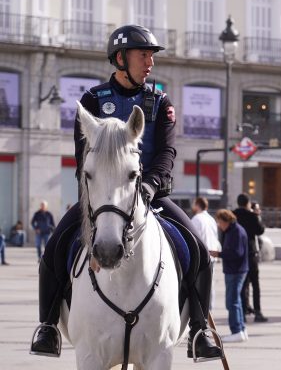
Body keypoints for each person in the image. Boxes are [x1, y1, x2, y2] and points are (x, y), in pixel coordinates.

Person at [30, 25, 222, 361]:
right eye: (143, 55)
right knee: (54, 250)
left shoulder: (160, 102)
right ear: (121, 58)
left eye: (152, 56)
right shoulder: (92, 101)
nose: (150, 62)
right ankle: (47, 326)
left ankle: (199, 330)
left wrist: (149, 185)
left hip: (151, 193)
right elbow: (82, 157)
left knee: (199, 251)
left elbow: (166, 153)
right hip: (102, 197)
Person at [209, 209, 249, 342]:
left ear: (226, 221)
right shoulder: (236, 230)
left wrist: (219, 254)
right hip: (237, 270)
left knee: (231, 302)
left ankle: (237, 330)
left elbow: (236, 253)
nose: (219, 225)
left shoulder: (235, 231)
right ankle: (241, 330)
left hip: (235, 271)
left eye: (220, 222)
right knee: (236, 301)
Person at [233, 195, 267, 322]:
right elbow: (260, 230)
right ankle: (258, 312)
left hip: (238, 254)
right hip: (251, 253)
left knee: (242, 284)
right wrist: (257, 216)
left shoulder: (233, 215)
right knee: (255, 284)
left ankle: (243, 312)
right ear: (248, 203)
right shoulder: (252, 216)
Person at [191, 197, 221, 310]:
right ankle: (209, 310)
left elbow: (193, 238)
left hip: (202, 256)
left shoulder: (196, 219)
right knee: (210, 284)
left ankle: (202, 309)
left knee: (200, 285)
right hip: (212, 255)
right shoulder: (211, 219)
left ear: (197, 205)